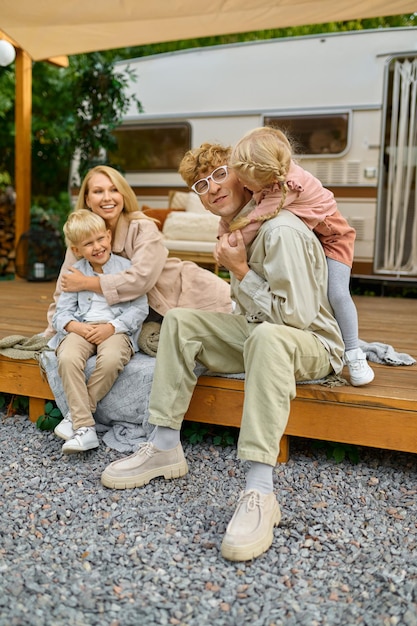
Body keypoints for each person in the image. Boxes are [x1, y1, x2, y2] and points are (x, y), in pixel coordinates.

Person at [100, 141, 346, 562]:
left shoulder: (279, 229)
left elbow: (296, 319)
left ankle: (260, 492)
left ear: (245, 177)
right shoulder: (237, 229)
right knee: (180, 319)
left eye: (219, 174)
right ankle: (163, 446)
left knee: (268, 337)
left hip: (312, 344)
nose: (211, 188)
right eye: (201, 184)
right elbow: (249, 314)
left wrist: (241, 271)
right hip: (257, 334)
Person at [217, 126, 374, 387]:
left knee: (336, 293)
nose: (241, 184)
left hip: (334, 240)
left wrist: (229, 245)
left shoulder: (285, 189)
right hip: (313, 238)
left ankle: (353, 352)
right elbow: (249, 212)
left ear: (264, 178)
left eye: (245, 180)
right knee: (314, 294)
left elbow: (254, 221)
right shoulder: (269, 177)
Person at [44, 165, 232, 339]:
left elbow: (140, 279)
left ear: (123, 194)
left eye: (114, 189)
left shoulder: (143, 227)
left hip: (194, 295)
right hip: (153, 315)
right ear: (87, 199)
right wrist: (51, 333)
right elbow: (64, 289)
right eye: (98, 191)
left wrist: (87, 282)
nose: (107, 197)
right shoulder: (81, 240)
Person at [48, 210, 149, 454]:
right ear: (76, 250)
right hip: (81, 326)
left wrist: (112, 327)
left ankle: (77, 419)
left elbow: (139, 308)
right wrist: (77, 327)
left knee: (112, 358)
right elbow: (61, 313)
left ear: (109, 236)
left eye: (100, 239)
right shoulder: (74, 274)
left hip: (115, 328)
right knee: (68, 357)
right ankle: (86, 429)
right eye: (88, 244)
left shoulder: (126, 269)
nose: (97, 247)